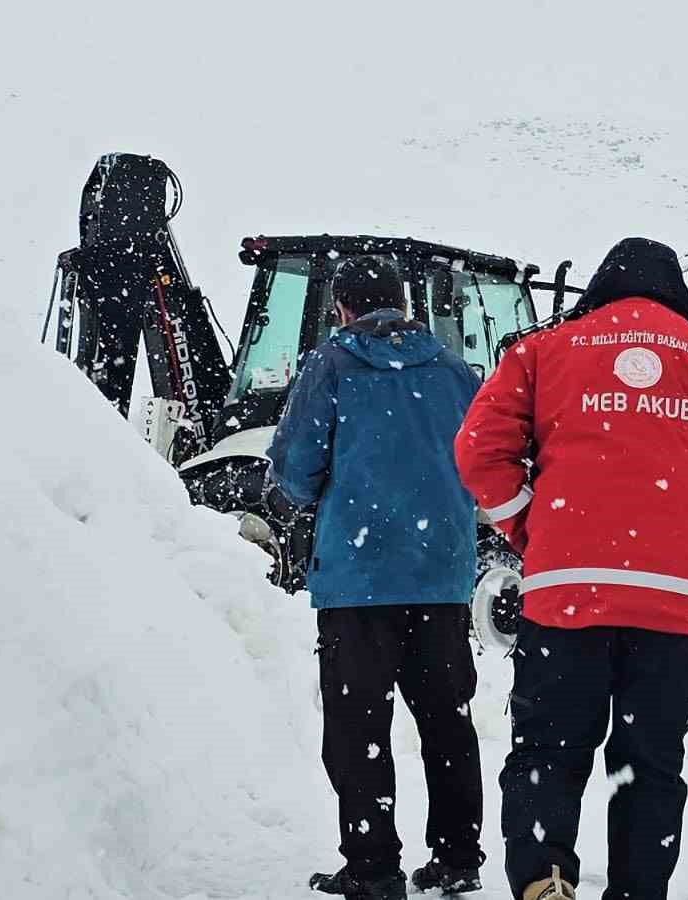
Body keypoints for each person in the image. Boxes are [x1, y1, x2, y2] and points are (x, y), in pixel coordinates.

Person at [454, 237, 688, 900]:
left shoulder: (544, 351)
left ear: (599, 288)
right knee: (651, 766)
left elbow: (478, 451)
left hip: (566, 594)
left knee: (547, 752)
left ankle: (543, 880)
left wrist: (530, 527)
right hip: (678, 601)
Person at [265, 257, 486, 900]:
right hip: (440, 578)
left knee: (359, 727)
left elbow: (295, 464)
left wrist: (323, 495)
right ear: (404, 303)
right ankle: (456, 857)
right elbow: (485, 459)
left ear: (343, 307)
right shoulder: (452, 370)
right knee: (447, 721)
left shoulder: (332, 364)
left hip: (359, 581)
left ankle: (373, 866)